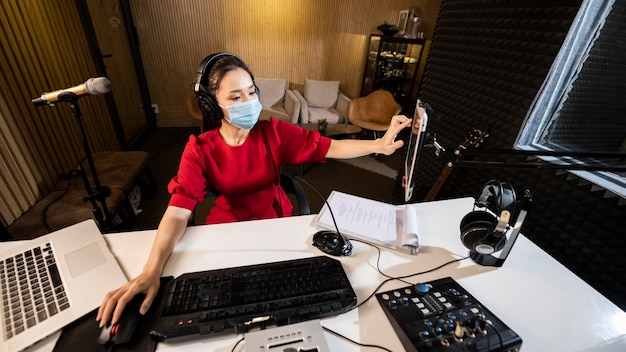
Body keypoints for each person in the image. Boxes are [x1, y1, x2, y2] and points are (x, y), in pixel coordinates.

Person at [96, 52, 416, 327]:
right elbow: (177, 213)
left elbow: (330, 146)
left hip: (277, 223)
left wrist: (379, 145)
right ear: (212, 104)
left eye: (252, 92)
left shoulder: (274, 132)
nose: (249, 103)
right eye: (235, 98)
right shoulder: (200, 149)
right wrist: (151, 270)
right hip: (228, 230)